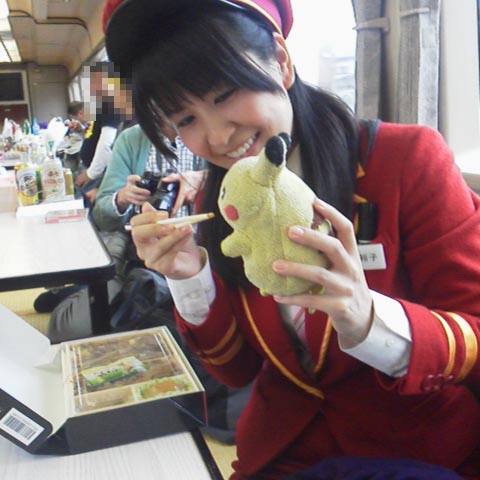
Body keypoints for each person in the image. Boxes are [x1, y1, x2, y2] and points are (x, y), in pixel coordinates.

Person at [104, 1, 480, 479]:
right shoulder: (222, 200)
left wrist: (372, 320)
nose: (218, 137)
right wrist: (189, 277)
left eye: (225, 94)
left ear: (280, 61)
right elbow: (236, 371)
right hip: (283, 452)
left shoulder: (405, 161)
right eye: (186, 120)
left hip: (414, 453)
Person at [75, 61, 132, 205]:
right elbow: (94, 135)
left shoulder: (112, 104)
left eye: (94, 81)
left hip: (96, 173)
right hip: (91, 168)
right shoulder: (101, 105)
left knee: (90, 211)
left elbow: (107, 143)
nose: (90, 87)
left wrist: (91, 173)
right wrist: (80, 131)